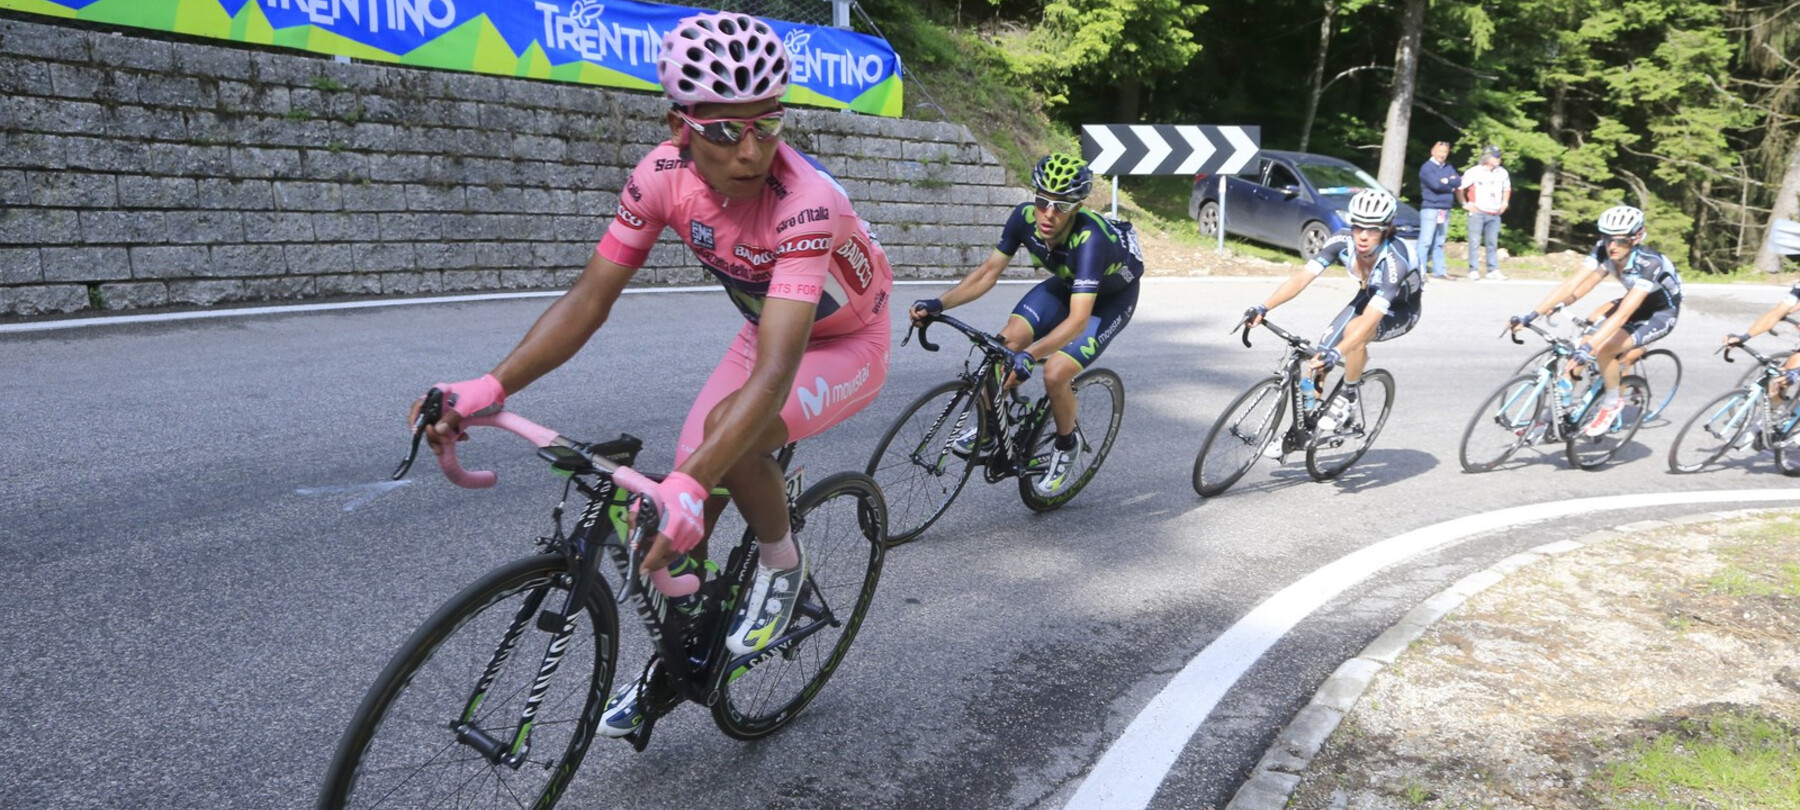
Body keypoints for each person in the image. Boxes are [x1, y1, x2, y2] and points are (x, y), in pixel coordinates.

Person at [413, 11, 894, 738]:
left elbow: (774, 374)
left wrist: (696, 478)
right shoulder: (660, 178)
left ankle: (781, 563)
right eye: (726, 131)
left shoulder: (808, 204)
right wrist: (494, 385)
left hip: (847, 342)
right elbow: (589, 299)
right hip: (765, 329)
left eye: (768, 124)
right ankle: (682, 658)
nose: (752, 149)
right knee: (673, 518)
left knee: (731, 441)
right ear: (681, 126)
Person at [909, 153, 1143, 497]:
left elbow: (1079, 320)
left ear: (1077, 208)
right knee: (1001, 346)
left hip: (1109, 301)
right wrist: (938, 303)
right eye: (1043, 201)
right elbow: (989, 273)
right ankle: (990, 431)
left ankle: (1066, 444)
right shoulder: (1022, 218)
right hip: (1067, 284)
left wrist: (1032, 356)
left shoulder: (1090, 240)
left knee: (1056, 372)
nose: (1049, 213)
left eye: (1061, 206)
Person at [1243, 189, 1421, 450]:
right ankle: (1298, 433)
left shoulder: (1396, 259)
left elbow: (1373, 316)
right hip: (1369, 295)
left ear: (1386, 229)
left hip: (1401, 308)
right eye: (1358, 226)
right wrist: (1263, 307)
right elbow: (1302, 278)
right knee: (1317, 361)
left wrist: (1339, 352)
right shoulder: (1341, 239)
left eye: (1371, 230)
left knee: (1354, 333)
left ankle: (1348, 398)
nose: (1362, 235)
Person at [1509, 205, 1681, 437]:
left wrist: (1591, 348)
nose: (1611, 246)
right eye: (1607, 238)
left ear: (1636, 237)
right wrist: (1532, 314)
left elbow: (1623, 315)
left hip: (1658, 314)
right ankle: (1556, 417)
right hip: (1631, 303)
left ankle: (1612, 403)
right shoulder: (1604, 250)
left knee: (1604, 350)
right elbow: (1575, 283)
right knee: (1582, 344)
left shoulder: (1650, 263)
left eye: (1619, 240)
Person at [1459, 145, 1511, 281]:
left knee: (1492, 242)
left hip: (1494, 212)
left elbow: (1507, 188)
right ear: (1487, 157)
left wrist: (1504, 202)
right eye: (1496, 156)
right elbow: (1459, 188)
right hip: (1478, 211)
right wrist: (1465, 204)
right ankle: (1473, 269)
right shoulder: (1474, 172)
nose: (1499, 159)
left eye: (1499, 156)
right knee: (1475, 241)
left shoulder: (1502, 172)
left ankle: (1492, 269)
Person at [1415, 140, 1461, 281]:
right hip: (1431, 208)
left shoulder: (1448, 167)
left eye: (1445, 152)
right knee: (1425, 242)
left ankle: (1439, 271)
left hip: (1445, 208)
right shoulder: (1427, 168)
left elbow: (1458, 181)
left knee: (1439, 242)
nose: (1442, 155)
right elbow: (1435, 185)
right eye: (1440, 151)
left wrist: (1445, 181)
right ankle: (1419, 271)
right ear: (1433, 152)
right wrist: (1449, 182)